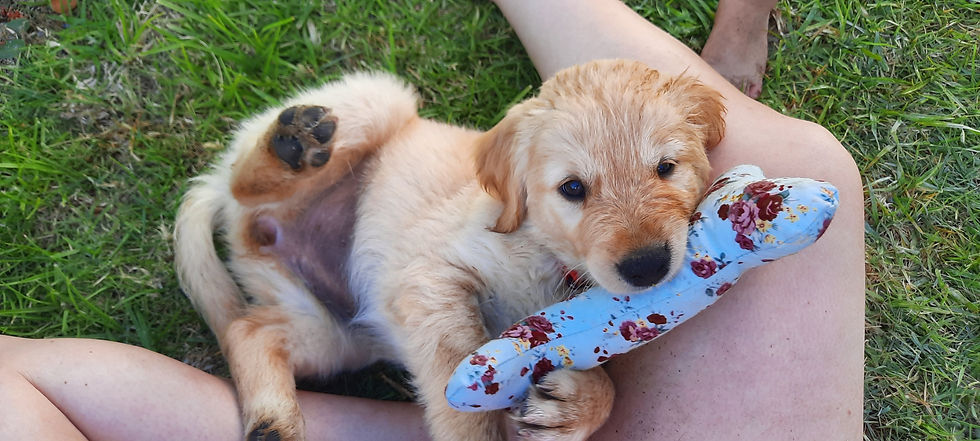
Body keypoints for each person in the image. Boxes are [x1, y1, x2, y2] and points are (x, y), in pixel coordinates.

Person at [0, 1, 863, 439]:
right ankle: (270, 172)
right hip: (341, 189)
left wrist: (590, 400)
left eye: (668, 168)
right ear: (519, 188)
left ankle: (261, 377)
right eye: (575, 190)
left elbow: (572, 361)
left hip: (326, 305)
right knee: (379, 107)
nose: (637, 235)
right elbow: (428, 285)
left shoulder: (644, 251)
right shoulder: (506, 208)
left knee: (317, 349)